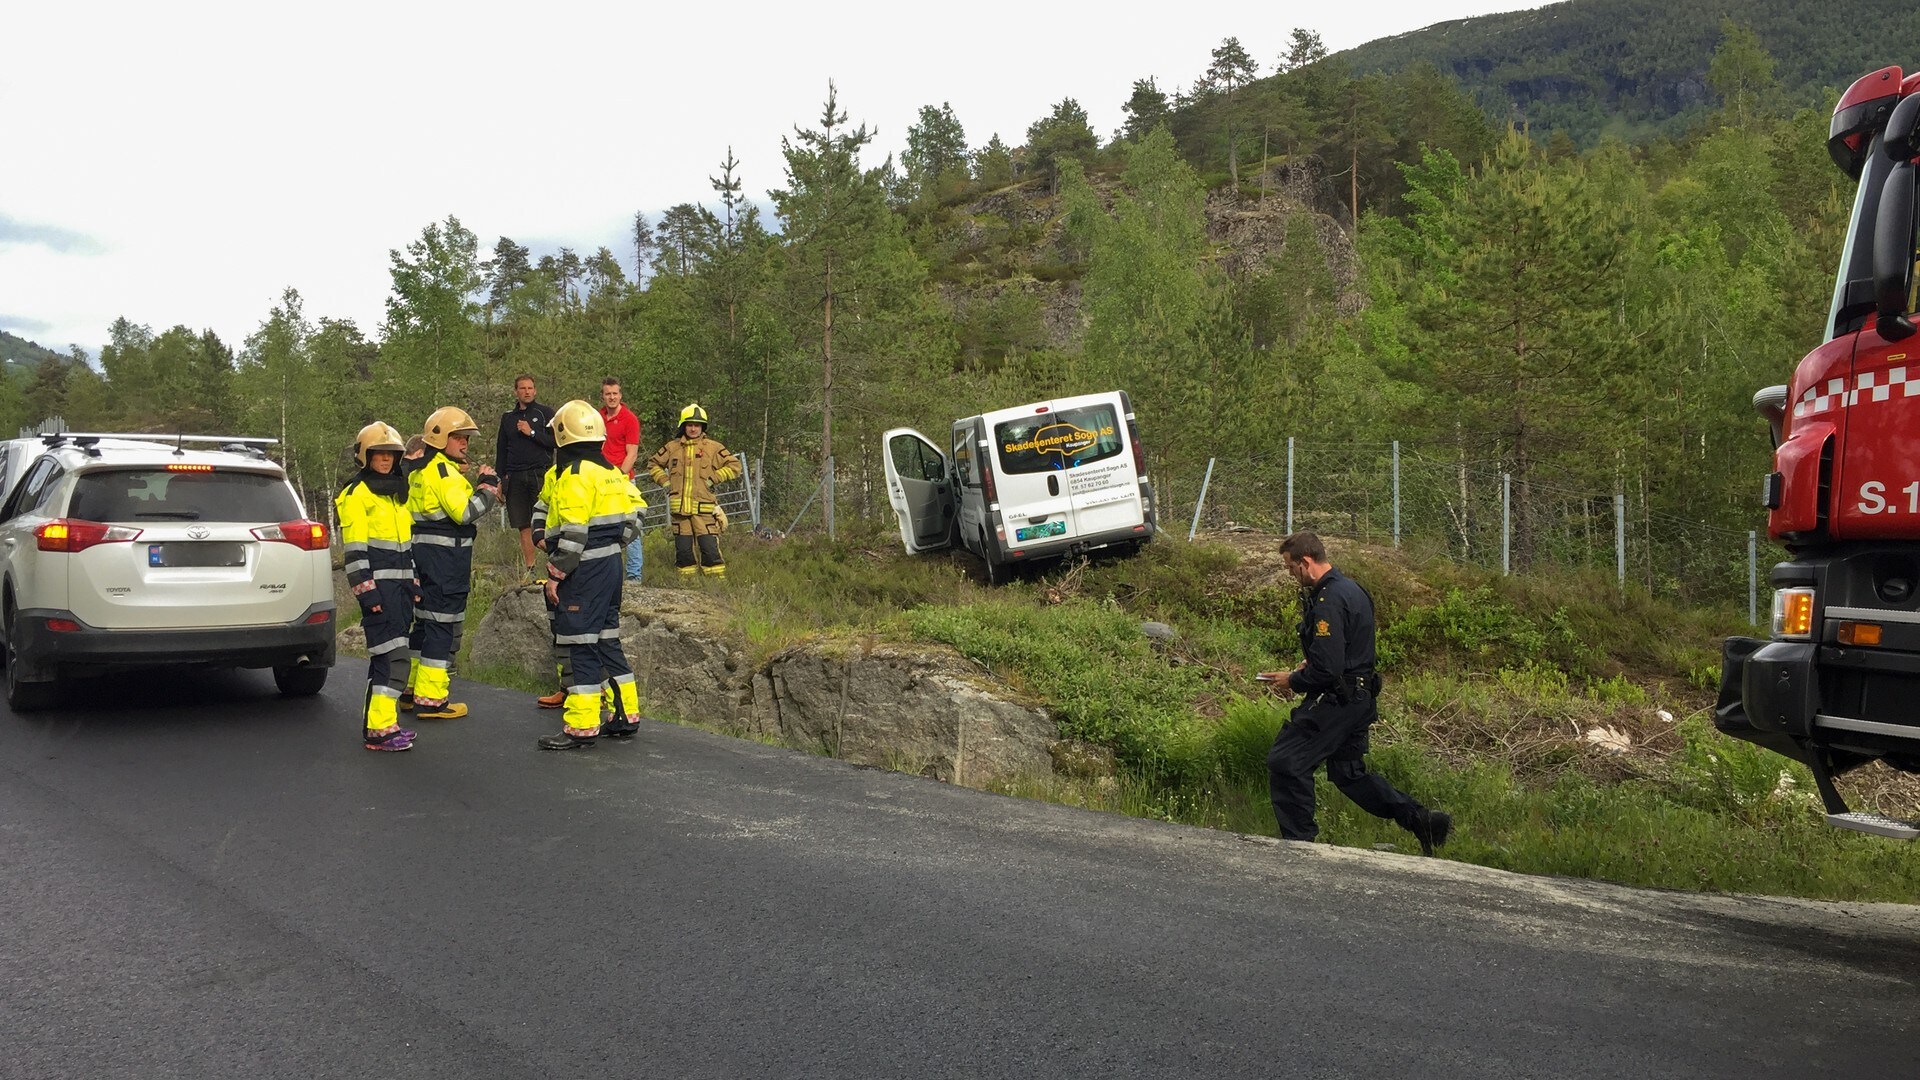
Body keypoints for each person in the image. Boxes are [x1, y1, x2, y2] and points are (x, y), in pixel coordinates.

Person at [1258, 531, 1452, 855]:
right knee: (1348, 774)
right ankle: (1422, 820)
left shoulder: (1327, 600)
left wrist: (1294, 680)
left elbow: (1327, 670)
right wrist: (1314, 662)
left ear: (1306, 563)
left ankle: (1299, 848)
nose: (1292, 575)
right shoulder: (1352, 590)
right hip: (1360, 698)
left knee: (1286, 761)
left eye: (1291, 568)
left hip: (1339, 701)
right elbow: (1344, 652)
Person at [537, 399, 645, 750]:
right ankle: (625, 716)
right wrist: (617, 542)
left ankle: (581, 726)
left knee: (580, 643)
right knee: (607, 640)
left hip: (583, 570)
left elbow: (573, 536)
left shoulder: (573, 476)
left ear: (562, 438)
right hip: (611, 566)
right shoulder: (611, 471)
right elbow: (638, 510)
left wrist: (555, 574)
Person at [404, 406, 499, 721]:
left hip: (424, 556)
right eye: (458, 437)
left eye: (466, 438)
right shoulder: (444, 472)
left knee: (423, 624)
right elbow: (465, 513)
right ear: (441, 438)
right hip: (446, 560)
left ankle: (411, 689)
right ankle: (431, 699)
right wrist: (487, 485)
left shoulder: (421, 469)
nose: (464, 444)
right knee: (442, 627)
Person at [337, 422, 418, 752]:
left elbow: (405, 545)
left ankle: (382, 724)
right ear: (365, 456)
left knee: (384, 660)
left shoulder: (396, 494)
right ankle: (380, 730)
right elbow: (354, 553)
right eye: (379, 454)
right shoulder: (357, 495)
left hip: (400, 590)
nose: (386, 459)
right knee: (395, 660)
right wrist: (367, 593)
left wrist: (412, 581)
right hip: (379, 592)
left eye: (391, 454)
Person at [646, 402, 739, 577]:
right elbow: (653, 464)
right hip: (680, 513)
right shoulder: (672, 448)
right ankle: (688, 590)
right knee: (684, 554)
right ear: (683, 426)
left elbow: (734, 465)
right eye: (690, 425)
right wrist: (666, 483)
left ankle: (716, 588)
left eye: (697, 425)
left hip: (704, 511)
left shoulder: (713, 447)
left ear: (703, 427)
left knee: (710, 551)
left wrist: (714, 479)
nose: (693, 429)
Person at [495, 374, 556, 580]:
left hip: (540, 472)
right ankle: (530, 570)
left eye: (530, 388)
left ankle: (553, 565)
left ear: (535, 390)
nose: (527, 391)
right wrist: (500, 479)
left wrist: (531, 433)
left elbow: (555, 441)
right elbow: (501, 450)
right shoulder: (508, 418)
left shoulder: (545, 413)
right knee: (523, 523)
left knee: (546, 520)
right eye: (523, 388)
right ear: (516, 392)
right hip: (515, 475)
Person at [598, 376, 644, 582]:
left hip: (624, 480)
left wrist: (620, 476)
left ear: (620, 395)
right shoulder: (597, 417)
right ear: (603, 396)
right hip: (600, 481)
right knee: (602, 528)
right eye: (608, 394)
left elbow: (632, 453)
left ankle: (634, 575)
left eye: (615, 393)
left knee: (631, 528)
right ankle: (606, 575)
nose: (612, 397)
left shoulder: (629, 419)